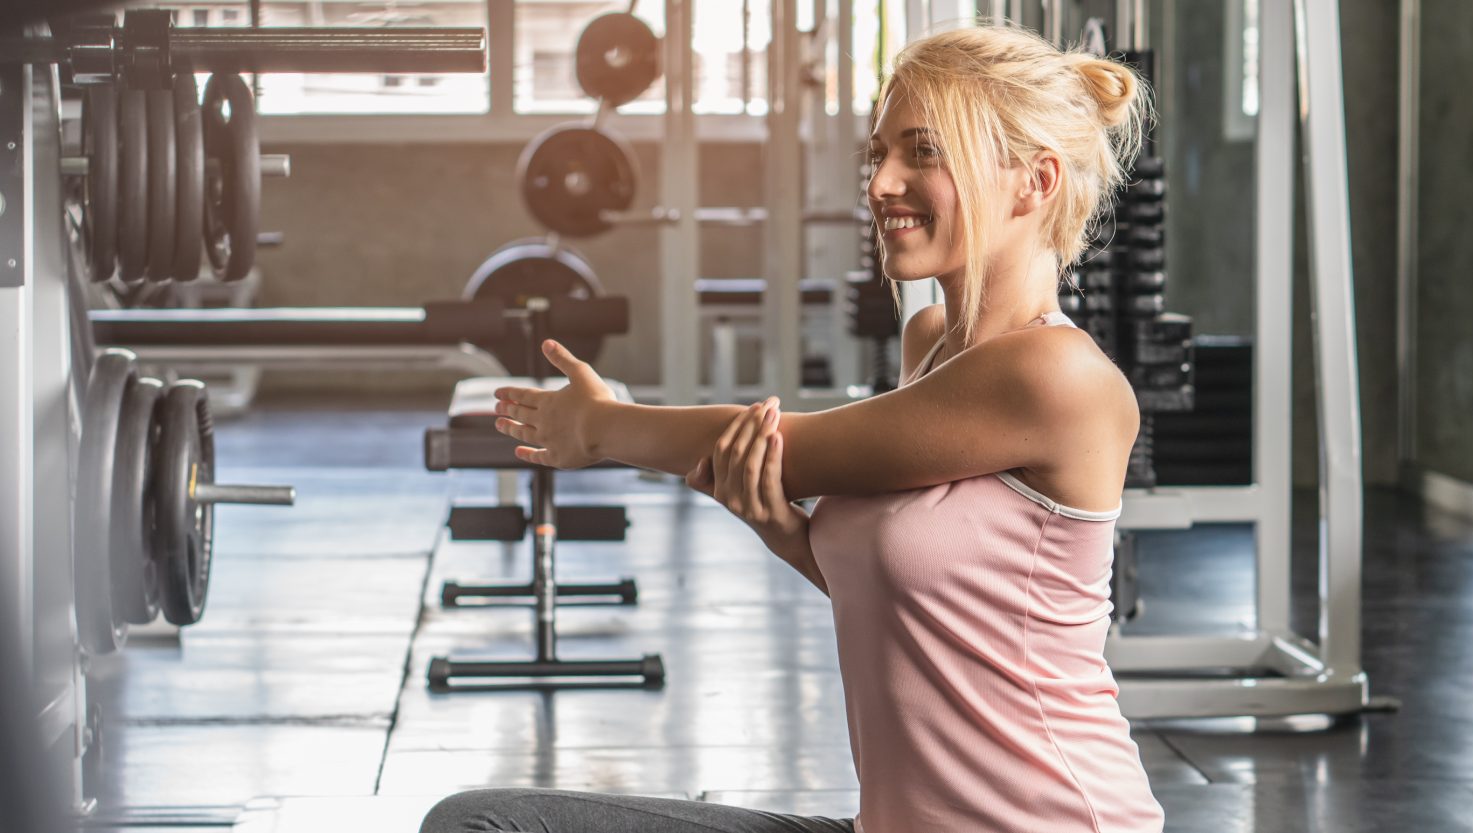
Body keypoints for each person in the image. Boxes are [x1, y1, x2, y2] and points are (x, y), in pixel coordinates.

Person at [421, 22, 1163, 833]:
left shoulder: (1054, 378)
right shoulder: (927, 344)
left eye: (922, 152)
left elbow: (788, 448)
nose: (880, 183)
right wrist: (783, 530)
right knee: (482, 823)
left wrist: (600, 428)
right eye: (877, 154)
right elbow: (922, 609)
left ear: (1034, 181)